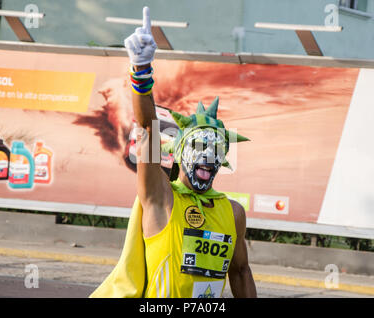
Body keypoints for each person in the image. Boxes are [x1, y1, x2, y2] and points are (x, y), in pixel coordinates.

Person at [91, 7, 256, 298]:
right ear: (179, 154)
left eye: (215, 148)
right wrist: (141, 71)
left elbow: (240, 272)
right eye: (199, 146)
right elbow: (149, 130)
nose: (207, 155)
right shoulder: (162, 198)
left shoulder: (233, 213)